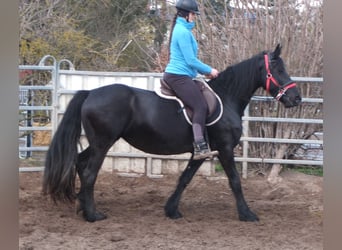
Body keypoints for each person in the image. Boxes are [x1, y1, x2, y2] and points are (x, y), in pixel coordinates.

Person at [163, 0, 219, 160]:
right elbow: (190, 60)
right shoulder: (182, 32)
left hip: (183, 75)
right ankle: (200, 146)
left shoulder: (183, 30)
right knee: (200, 106)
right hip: (177, 76)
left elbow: (189, 61)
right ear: (186, 15)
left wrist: (203, 73)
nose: (194, 17)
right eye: (193, 14)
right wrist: (210, 70)